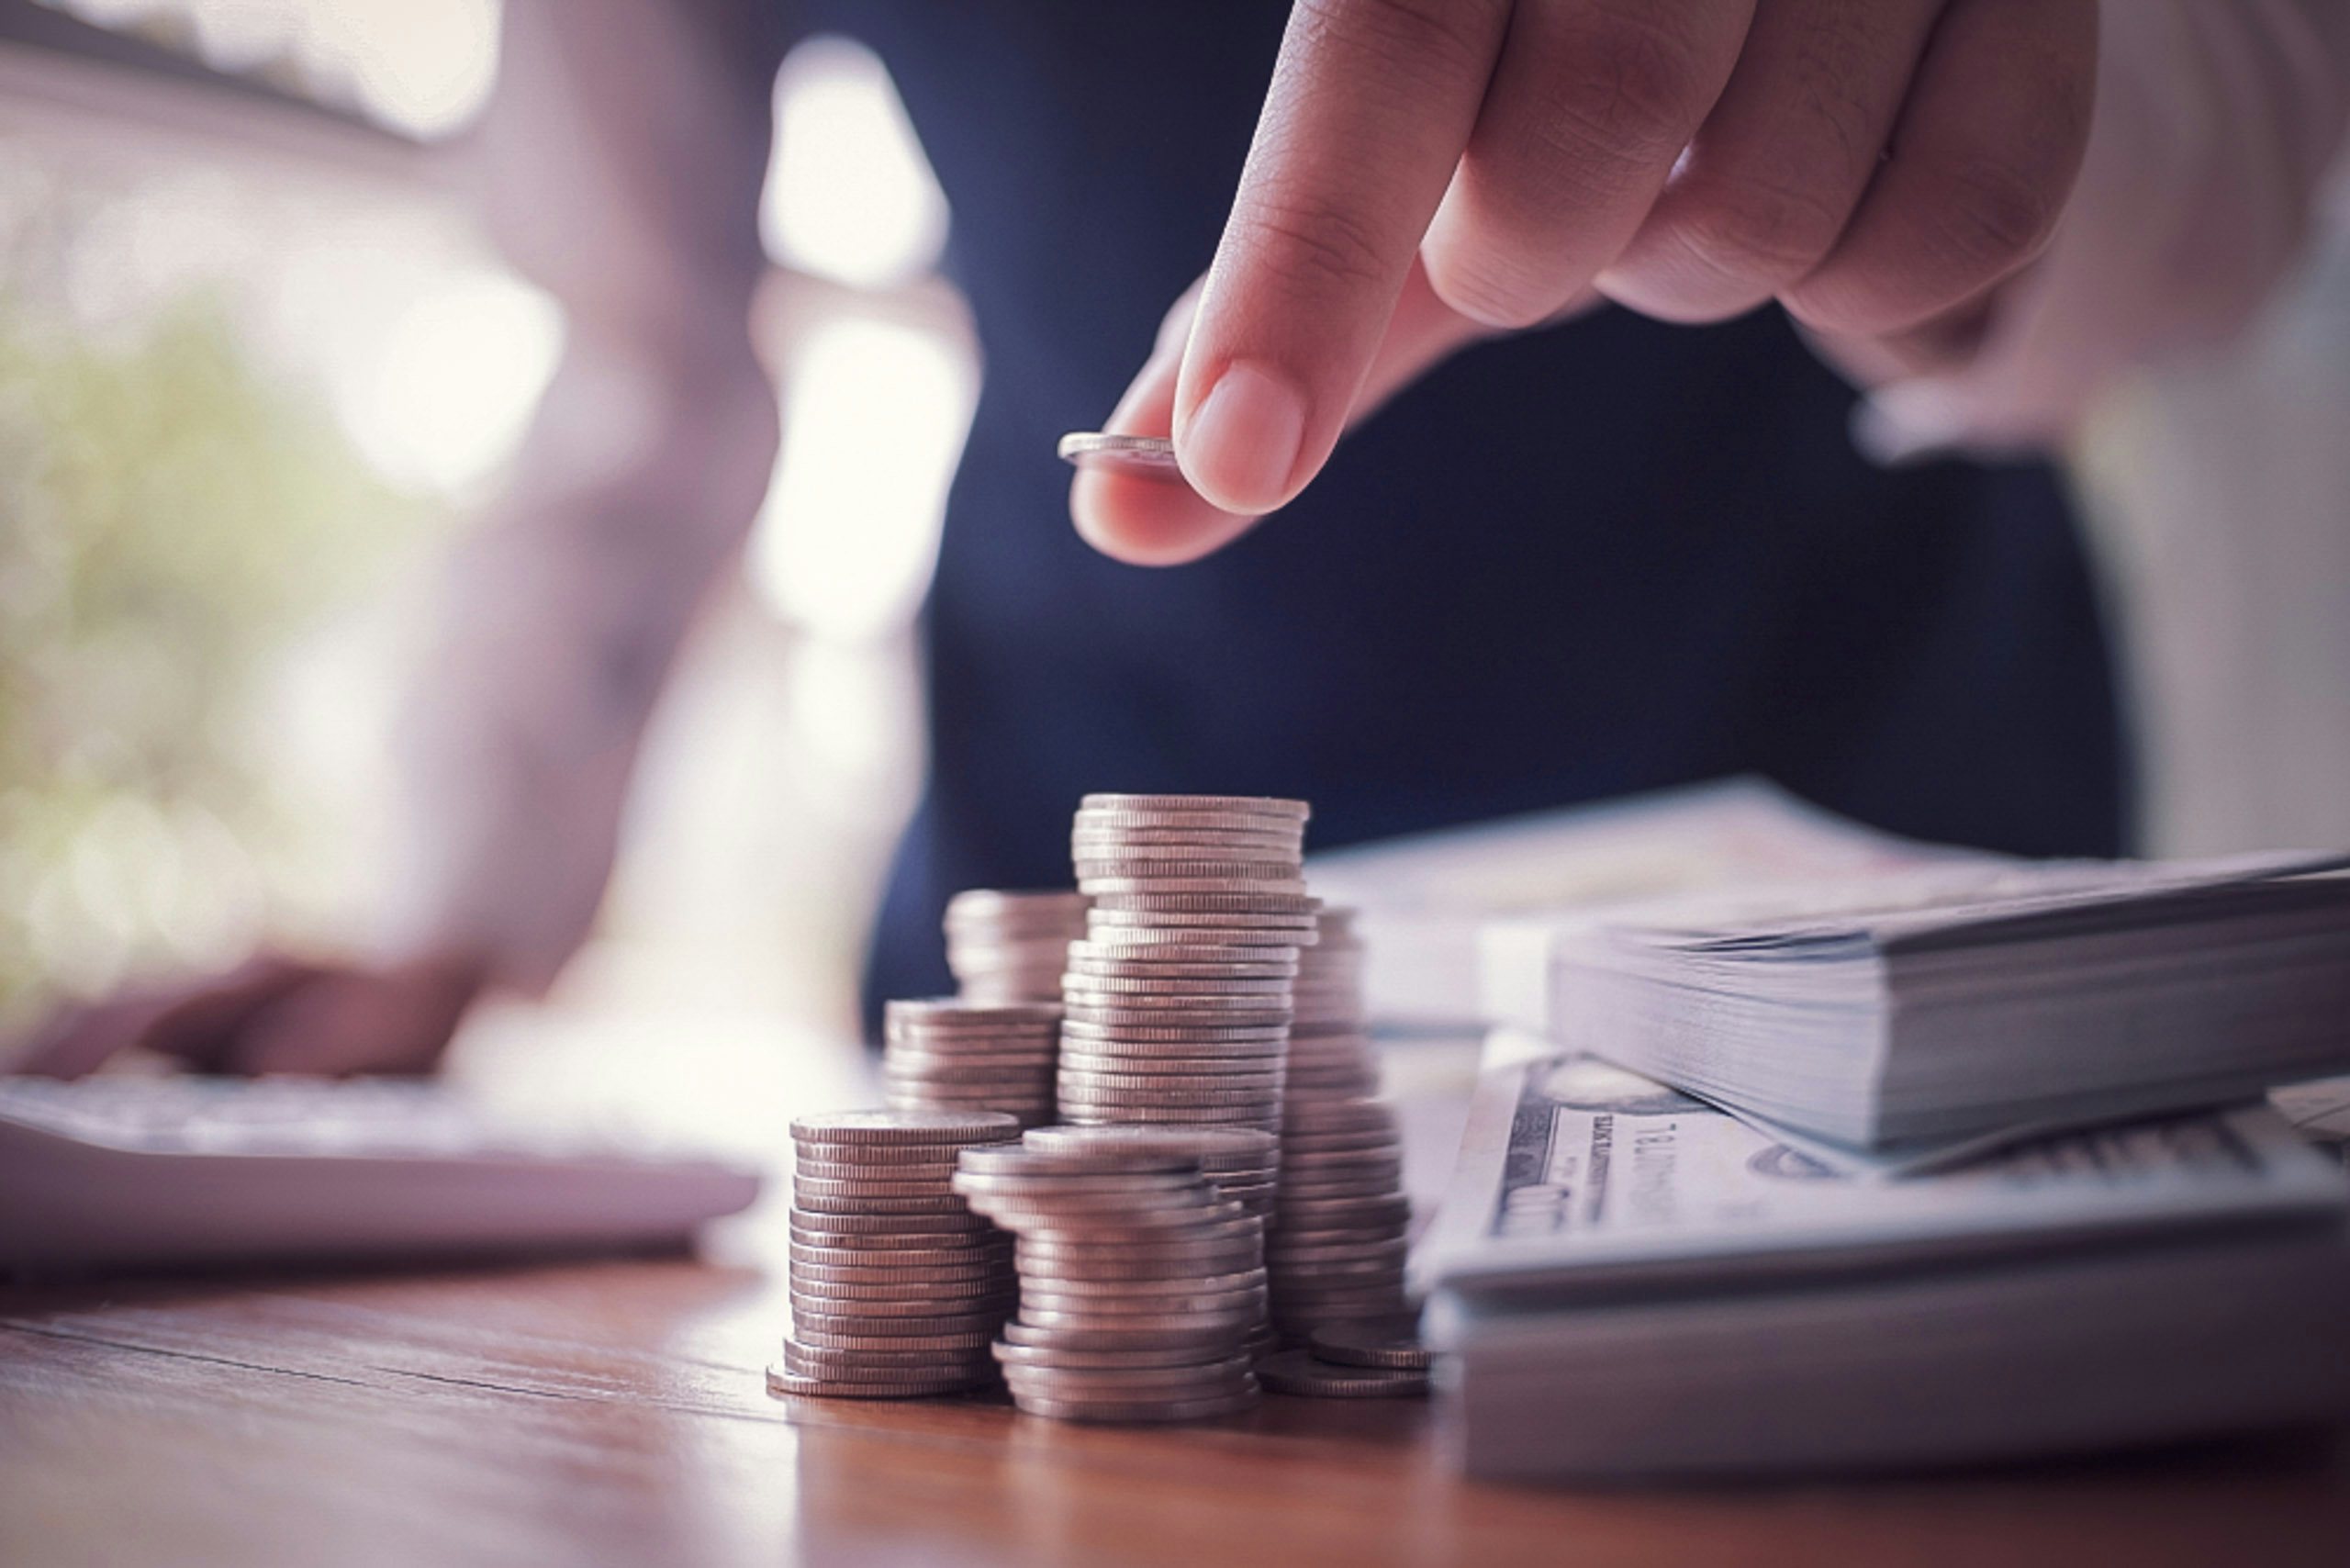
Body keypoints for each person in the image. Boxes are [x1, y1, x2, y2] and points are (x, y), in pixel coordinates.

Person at [21, 0, 2350, 1078]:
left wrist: (1986, 161)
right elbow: (638, 358)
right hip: (1070, 902)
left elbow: (2253, 116)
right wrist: (451, 906)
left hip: (1866, 802)